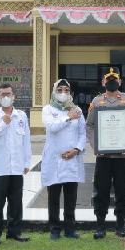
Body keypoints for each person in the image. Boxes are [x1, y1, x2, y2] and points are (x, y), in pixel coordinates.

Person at [86, 69, 125, 239]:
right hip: (103, 157)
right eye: (108, 80)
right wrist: (96, 146)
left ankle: (121, 226)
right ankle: (100, 226)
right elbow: (90, 126)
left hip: (122, 156)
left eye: (114, 79)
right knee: (101, 192)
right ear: (103, 83)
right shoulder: (96, 101)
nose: (111, 82)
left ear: (120, 82)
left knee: (122, 192)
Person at [0, 83, 32, 245]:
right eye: (2, 94)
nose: (6, 97)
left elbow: (26, 141)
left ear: (14, 96)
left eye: (8, 94)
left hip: (17, 166)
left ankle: (14, 232)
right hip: (0, 167)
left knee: (16, 202)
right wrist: (3, 123)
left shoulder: (21, 116)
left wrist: (26, 162)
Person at [41, 79, 86, 240]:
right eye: (60, 90)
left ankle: (70, 228)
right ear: (54, 92)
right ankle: (54, 229)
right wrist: (67, 117)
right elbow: (52, 127)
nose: (63, 93)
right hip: (54, 159)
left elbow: (82, 134)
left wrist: (76, 150)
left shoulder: (77, 110)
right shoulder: (48, 109)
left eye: (66, 90)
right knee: (53, 196)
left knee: (70, 196)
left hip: (72, 159)